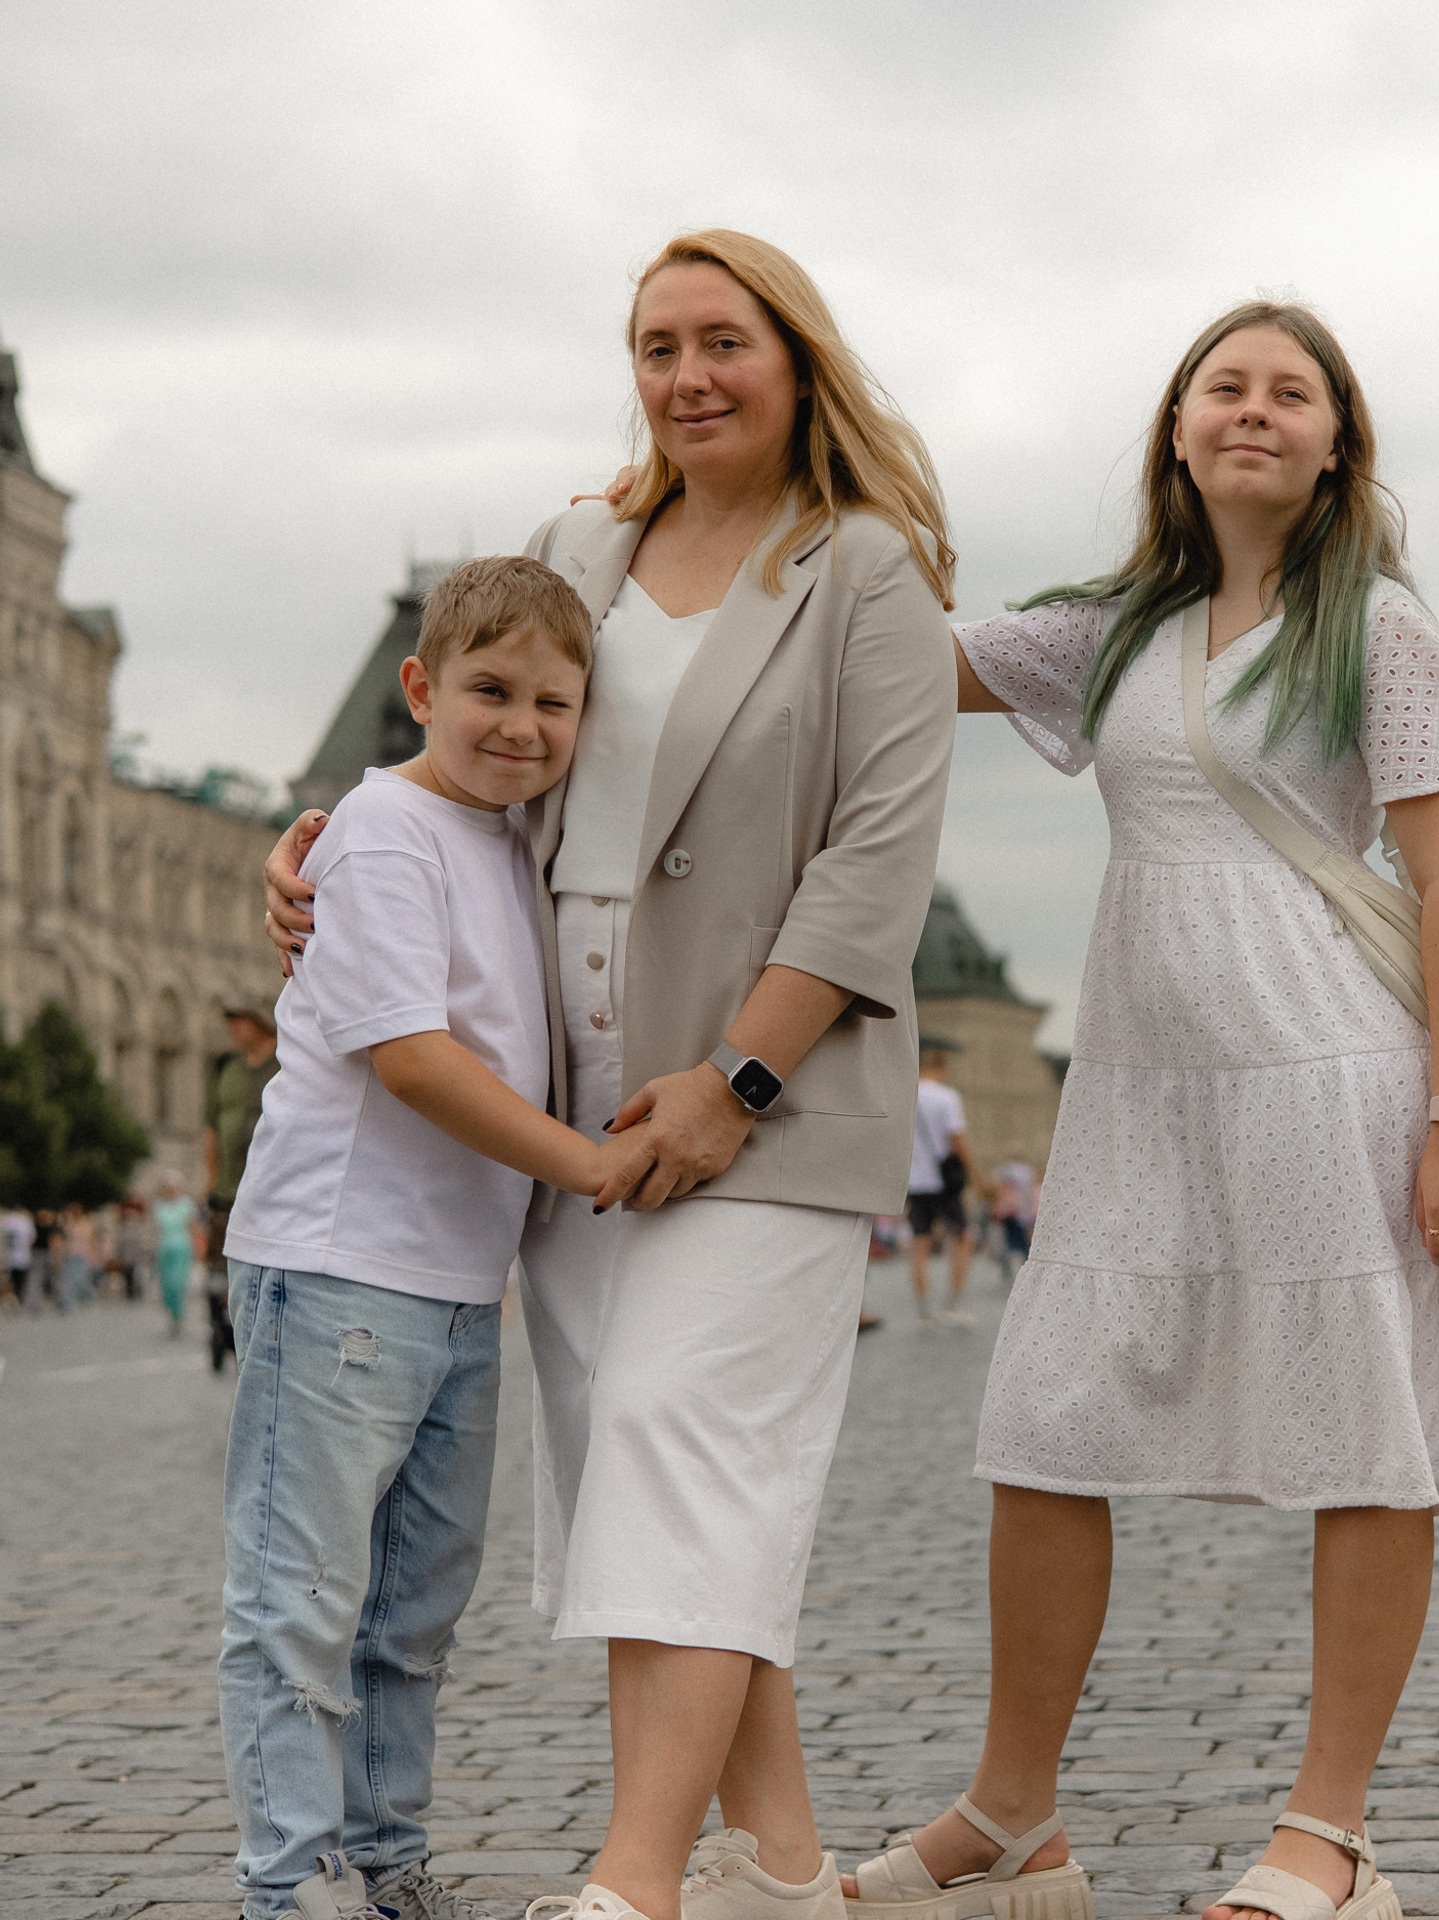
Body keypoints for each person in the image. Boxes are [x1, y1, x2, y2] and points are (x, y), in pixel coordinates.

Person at [840, 299, 1439, 1920]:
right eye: (1222, 387)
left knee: (1363, 1436)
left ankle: (1329, 1835)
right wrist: (691, 518)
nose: (1253, 409)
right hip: (1141, 1089)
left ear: (1334, 447)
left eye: (1289, 392)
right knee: (1044, 1425)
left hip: (1329, 1072)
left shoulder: (1371, 627)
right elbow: (887, 648)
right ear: (1179, 432)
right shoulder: (1111, 630)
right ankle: (1012, 1818)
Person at [270, 232, 956, 1920]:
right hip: (571, 1101)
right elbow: (481, 743)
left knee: (679, 1452)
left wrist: (740, 1075)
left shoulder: (867, 567)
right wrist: (332, 841)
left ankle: (634, 1883)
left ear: (797, 360)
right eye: (656, 346)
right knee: (646, 1493)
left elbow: (877, 855)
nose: (688, 376)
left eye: (724, 341)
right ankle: (783, 1870)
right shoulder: (582, 538)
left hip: (761, 1109)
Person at [227, 556, 658, 1920]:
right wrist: (587, 1164)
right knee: (302, 1599)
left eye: (553, 702)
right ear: (419, 689)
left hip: (458, 1282)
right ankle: (292, 1879)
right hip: (341, 1260)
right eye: (490, 691)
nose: (522, 725)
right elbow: (412, 1059)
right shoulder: (385, 831)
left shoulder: (513, 834)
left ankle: (387, 1859)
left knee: (412, 1613)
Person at [205, 1001, 280, 1368]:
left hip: (270, 1188)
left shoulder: (284, 1062)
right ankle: (219, 1330)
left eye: (241, 1019)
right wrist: (212, 1180)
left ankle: (251, 1335)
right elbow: (211, 1127)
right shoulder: (227, 1068)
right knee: (218, 1271)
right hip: (226, 1190)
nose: (234, 1027)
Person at [908, 1043, 980, 1325]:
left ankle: (923, 1308)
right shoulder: (947, 1097)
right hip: (943, 1181)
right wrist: (974, 1174)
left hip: (915, 1181)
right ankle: (954, 1301)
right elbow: (956, 1140)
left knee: (920, 1243)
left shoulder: (908, 1094)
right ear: (942, 1068)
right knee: (963, 1238)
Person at [150, 1175, 200, 1333]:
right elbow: (156, 1229)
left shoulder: (186, 1205)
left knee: (176, 1283)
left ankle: (179, 1317)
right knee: (165, 1286)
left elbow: (193, 1227)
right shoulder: (159, 1205)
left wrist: (199, 1248)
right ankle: (172, 1315)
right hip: (164, 1249)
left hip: (182, 1247)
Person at [991, 1157, 1039, 1278]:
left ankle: (1019, 1272)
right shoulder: (1029, 1189)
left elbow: (1001, 1209)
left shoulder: (1011, 1192)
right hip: (1017, 1223)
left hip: (1016, 1223)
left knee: (1016, 1249)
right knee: (1020, 1249)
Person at [2, 1202, 32, 1309]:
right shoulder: (25, 1220)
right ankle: (18, 1299)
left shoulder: (7, 1220)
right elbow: (31, 1238)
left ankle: (11, 1299)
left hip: (9, 1256)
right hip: (23, 1256)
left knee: (10, 1280)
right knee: (21, 1280)